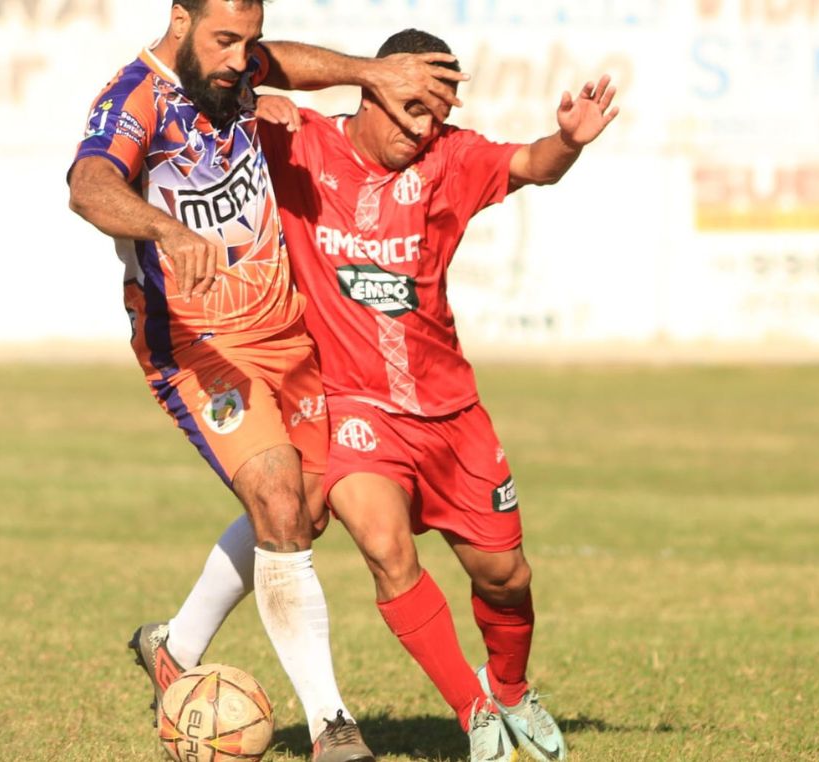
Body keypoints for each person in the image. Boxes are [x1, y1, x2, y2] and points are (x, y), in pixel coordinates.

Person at [66, 3, 464, 760]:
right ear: (180, 19)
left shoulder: (237, 65)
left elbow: (281, 61)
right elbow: (89, 187)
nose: (239, 59)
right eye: (224, 41)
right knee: (278, 496)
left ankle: (174, 648)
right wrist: (165, 229)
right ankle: (332, 727)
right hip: (199, 344)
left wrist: (364, 71)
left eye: (248, 43)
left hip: (284, 328)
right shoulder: (134, 99)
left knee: (304, 513)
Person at [251, 28, 620, 762]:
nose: (423, 127)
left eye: (438, 111)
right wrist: (266, 95)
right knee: (386, 550)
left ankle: (511, 689)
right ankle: (473, 710)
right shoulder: (300, 145)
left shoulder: (451, 158)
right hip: (357, 412)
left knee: (504, 577)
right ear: (374, 88)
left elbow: (532, 165)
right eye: (412, 106)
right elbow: (238, 65)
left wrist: (568, 141)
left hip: (451, 417)